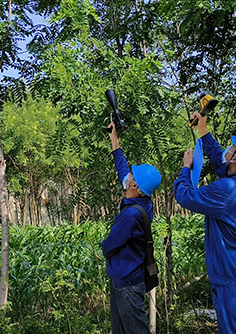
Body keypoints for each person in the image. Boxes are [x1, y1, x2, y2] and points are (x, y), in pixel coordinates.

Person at [173, 111, 236, 334]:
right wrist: (203, 130)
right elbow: (221, 163)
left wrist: (186, 168)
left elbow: (185, 196)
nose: (227, 150)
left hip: (230, 284)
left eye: (231, 148)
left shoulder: (225, 190)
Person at [101, 122, 162, 334]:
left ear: (136, 188)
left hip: (126, 282)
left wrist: (104, 247)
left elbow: (109, 245)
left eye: (132, 180)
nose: (128, 180)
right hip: (125, 278)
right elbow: (122, 168)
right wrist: (114, 139)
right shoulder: (143, 203)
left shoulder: (130, 215)